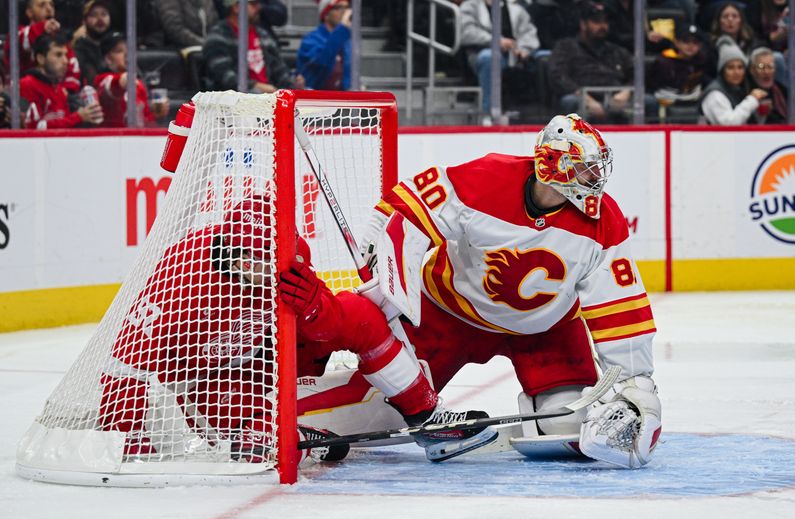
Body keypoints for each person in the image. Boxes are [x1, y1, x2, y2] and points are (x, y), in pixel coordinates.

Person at [98, 192, 493, 463]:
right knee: (260, 439)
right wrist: (133, 440)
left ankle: (425, 415)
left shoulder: (286, 254)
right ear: (228, 251)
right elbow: (123, 366)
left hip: (276, 360)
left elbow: (329, 328)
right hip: (206, 386)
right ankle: (294, 437)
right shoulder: (181, 285)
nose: (267, 270)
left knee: (359, 312)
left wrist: (312, 306)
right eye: (253, 260)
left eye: (272, 257)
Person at [362, 113, 662, 469]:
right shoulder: (485, 179)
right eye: (584, 168)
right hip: (450, 315)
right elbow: (408, 208)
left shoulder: (603, 220)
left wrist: (636, 383)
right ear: (554, 164)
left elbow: (620, 304)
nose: (594, 178)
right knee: (382, 413)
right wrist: (381, 257)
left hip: (546, 330)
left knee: (565, 426)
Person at [548, 1, 642, 123]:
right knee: (570, 102)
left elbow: (637, 74)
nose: (602, 26)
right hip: (581, 96)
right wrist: (583, 97)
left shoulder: (617, 51)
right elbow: (558, 76)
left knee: (647, 102)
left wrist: (627, 91)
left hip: (616, 99)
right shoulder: (566, 47)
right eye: (596, 22)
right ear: (583, 24)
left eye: (605, 22)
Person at [459, 0, 540, 122]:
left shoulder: (516, 9)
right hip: (482, 52)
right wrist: (496, 41)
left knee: (543, 57)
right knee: (490, 58)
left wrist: (523, 49)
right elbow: (466, 32)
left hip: (512, 53)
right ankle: (489, 113)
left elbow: (529, 34)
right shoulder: (470, 6)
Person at [202, 0, 302, 93]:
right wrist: (256, 86)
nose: (259, 7)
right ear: (236, 7)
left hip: (271, 99)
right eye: (253, 3)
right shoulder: (218, 37)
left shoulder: (263, 34)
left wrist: (293, 84)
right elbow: (224, 77)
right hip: (236, 102)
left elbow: (279, 69)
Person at [19, 33, 103, 129]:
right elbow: (33, 128)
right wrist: (78, 117)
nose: (65, 61)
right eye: (58, 55)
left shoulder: (60, 90)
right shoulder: (27, 85)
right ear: (41, 58)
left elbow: (64, 126)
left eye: (66, 55)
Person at [3, 0, 82, 93]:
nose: (49, 9)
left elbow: (72, 69)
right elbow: (23, 40)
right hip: (20, 96)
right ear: (29, 12)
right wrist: (42, 28)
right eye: (42, 5)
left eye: (51, 5)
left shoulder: (59, 40)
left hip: (54, 96)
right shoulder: (17, 34)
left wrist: (65, 90)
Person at [94, 32, 168, 128]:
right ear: (108, 58)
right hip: (111, 139)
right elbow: (112, 85)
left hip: (136, 140)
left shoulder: (138, 84)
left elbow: (148, 123)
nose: (127, 54)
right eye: (119, 51)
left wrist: (157, 116)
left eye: (129, 50)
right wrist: (123, 81)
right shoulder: (101, 80)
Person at [648, 23, 715, 119]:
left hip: (694, 102)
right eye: (686, 41)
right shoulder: (663, 61)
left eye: (695, 42)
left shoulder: (702, 60)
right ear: (676, 42)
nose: (691, 46)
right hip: (665, 104)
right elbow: (651, 85)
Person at [700, 36, 765, 125]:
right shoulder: (715, 94)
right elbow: (729, 124)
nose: (736, 72)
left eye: (740, 67)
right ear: (723, 70)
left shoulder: (736, 90)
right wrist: (752, 100)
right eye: (730, 67)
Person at [295, 0, 352, 90]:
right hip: (314, 98)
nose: (345, 12)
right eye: (340, 8)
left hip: (339, 98)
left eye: (347, 7)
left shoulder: (345, 40)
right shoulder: (310, 40)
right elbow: (322, 61)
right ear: (326, 15)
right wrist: (342, 28)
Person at [72, 0, 113, 87]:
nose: (100, 19)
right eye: (94, 15)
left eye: (104, 14)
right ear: (84, 21)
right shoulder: (79, 50)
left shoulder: (116, 46)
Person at [747, 46, 788, 124]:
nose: (766, 71)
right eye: (761, 67)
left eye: (770, 66)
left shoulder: (782, 90)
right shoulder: (746, 91)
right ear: (752, 70)